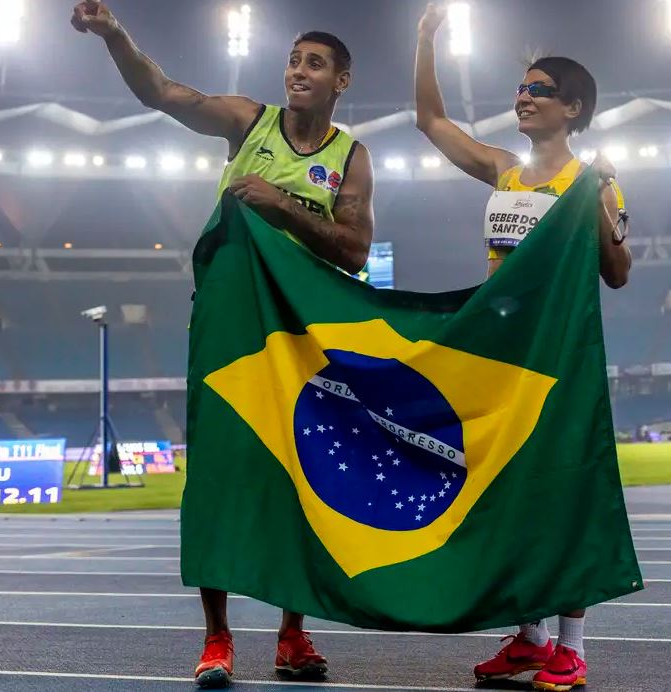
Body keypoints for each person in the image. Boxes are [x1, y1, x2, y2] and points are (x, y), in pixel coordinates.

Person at [71, 2, 375, 688]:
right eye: (295, 60)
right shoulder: (248, 121)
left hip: (303, 343)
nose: (298, 72)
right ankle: (216, 639)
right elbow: (163, 93)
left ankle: (293, 635)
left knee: (303, 482)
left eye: (314, 64)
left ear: (341, 82)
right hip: (228, 333)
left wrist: (282, 206)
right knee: (217, 480)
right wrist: (114, 33)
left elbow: (355, 252)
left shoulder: (349, 159)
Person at [414, 4, 631, 691]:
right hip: (498, 358)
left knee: (563, 494)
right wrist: (425, 40)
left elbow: (618, 272)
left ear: (572, 108)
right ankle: (529, 638)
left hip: (558, 358)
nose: (523, 98)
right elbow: (431, 124)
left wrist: (595, 199)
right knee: (508, 493)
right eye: (520, 89)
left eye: (538, 90)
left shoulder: (590, 179)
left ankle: (572, 645)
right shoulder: (506, 170)